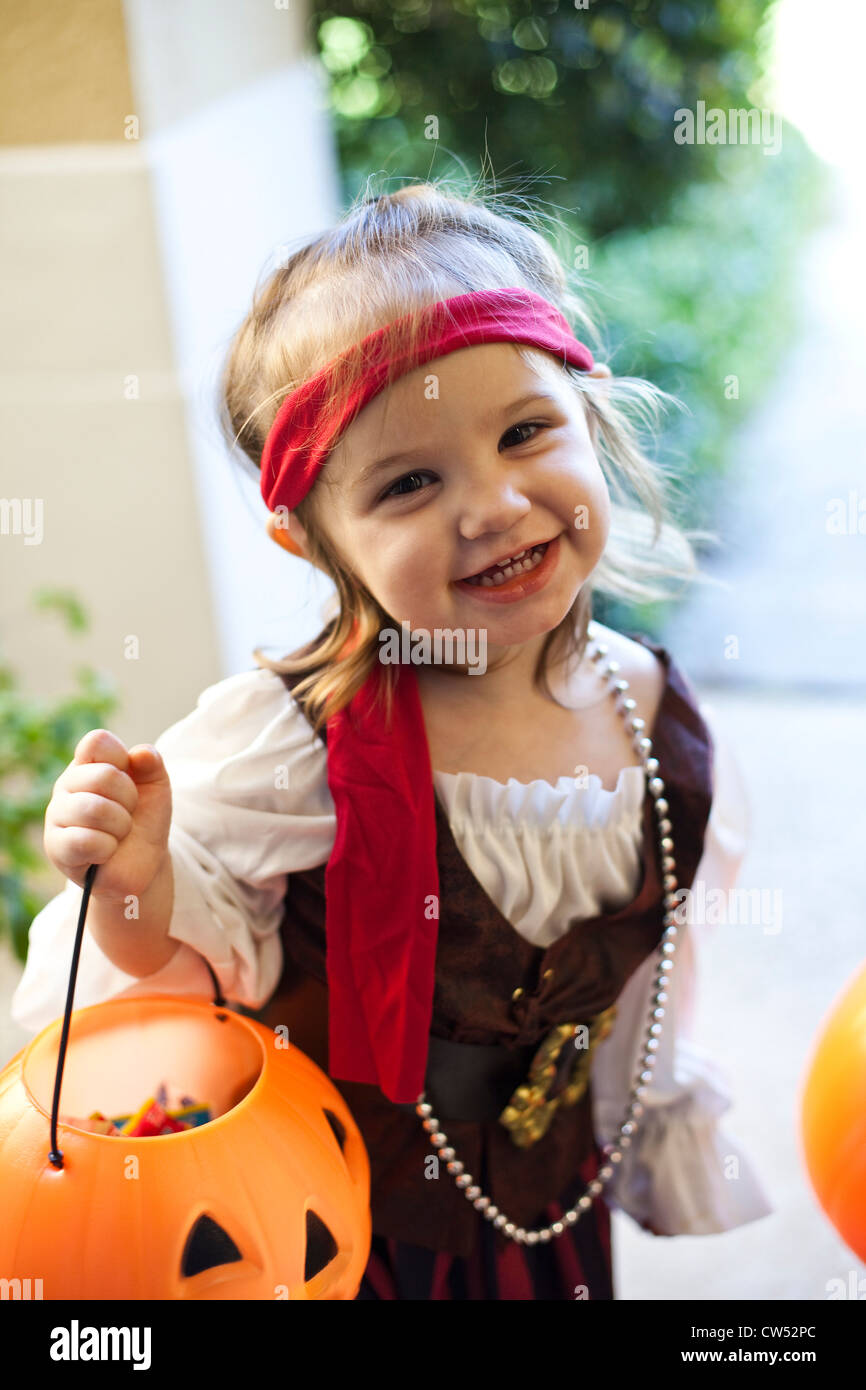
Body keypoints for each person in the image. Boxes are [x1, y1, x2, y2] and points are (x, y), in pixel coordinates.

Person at [12, 182, 773, 1300]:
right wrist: (132, 887)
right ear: (309, 537)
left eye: (524, 431)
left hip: (545, 1223)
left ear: (587, 408)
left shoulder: (658, 722)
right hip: (339, 1234)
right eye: (409, 482)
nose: (494, 504)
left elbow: (649, 973)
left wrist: (639, 1112)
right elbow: (174, 1014)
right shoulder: (286, 749)